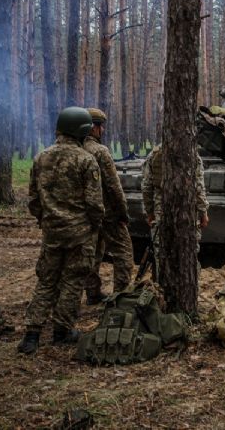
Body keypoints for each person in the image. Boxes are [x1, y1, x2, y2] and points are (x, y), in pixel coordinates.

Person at [18, 107, 104, 354]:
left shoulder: (41, 158)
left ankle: (31, 335)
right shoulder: (86, 160)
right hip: (80, 234)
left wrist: (47, 220)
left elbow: (34, 200)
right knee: (72, 281)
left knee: (46, 281)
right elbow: (95, 204)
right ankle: (62, 331)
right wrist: (94, 227)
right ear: (82, 131)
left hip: (52, 233)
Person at [82, 108, 135, 304]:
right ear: (93, 128)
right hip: (107, 212)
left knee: (93, 253)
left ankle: (92, 293)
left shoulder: (75, 149)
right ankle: (120, 296)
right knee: (123, 252)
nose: (102, 130)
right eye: (100, 126)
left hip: (85, 214)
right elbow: (114, 186)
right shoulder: (100, 151)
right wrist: (123, 213)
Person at [141, 144, 209, 275]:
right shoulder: (193, 155)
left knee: (162, 255)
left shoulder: (153, 155)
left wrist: (149, 213)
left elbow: (146, 187)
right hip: (187, 214)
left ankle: (162, 289)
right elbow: (198, 188)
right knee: (189, 255)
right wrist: (203, 212)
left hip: (162, 213)